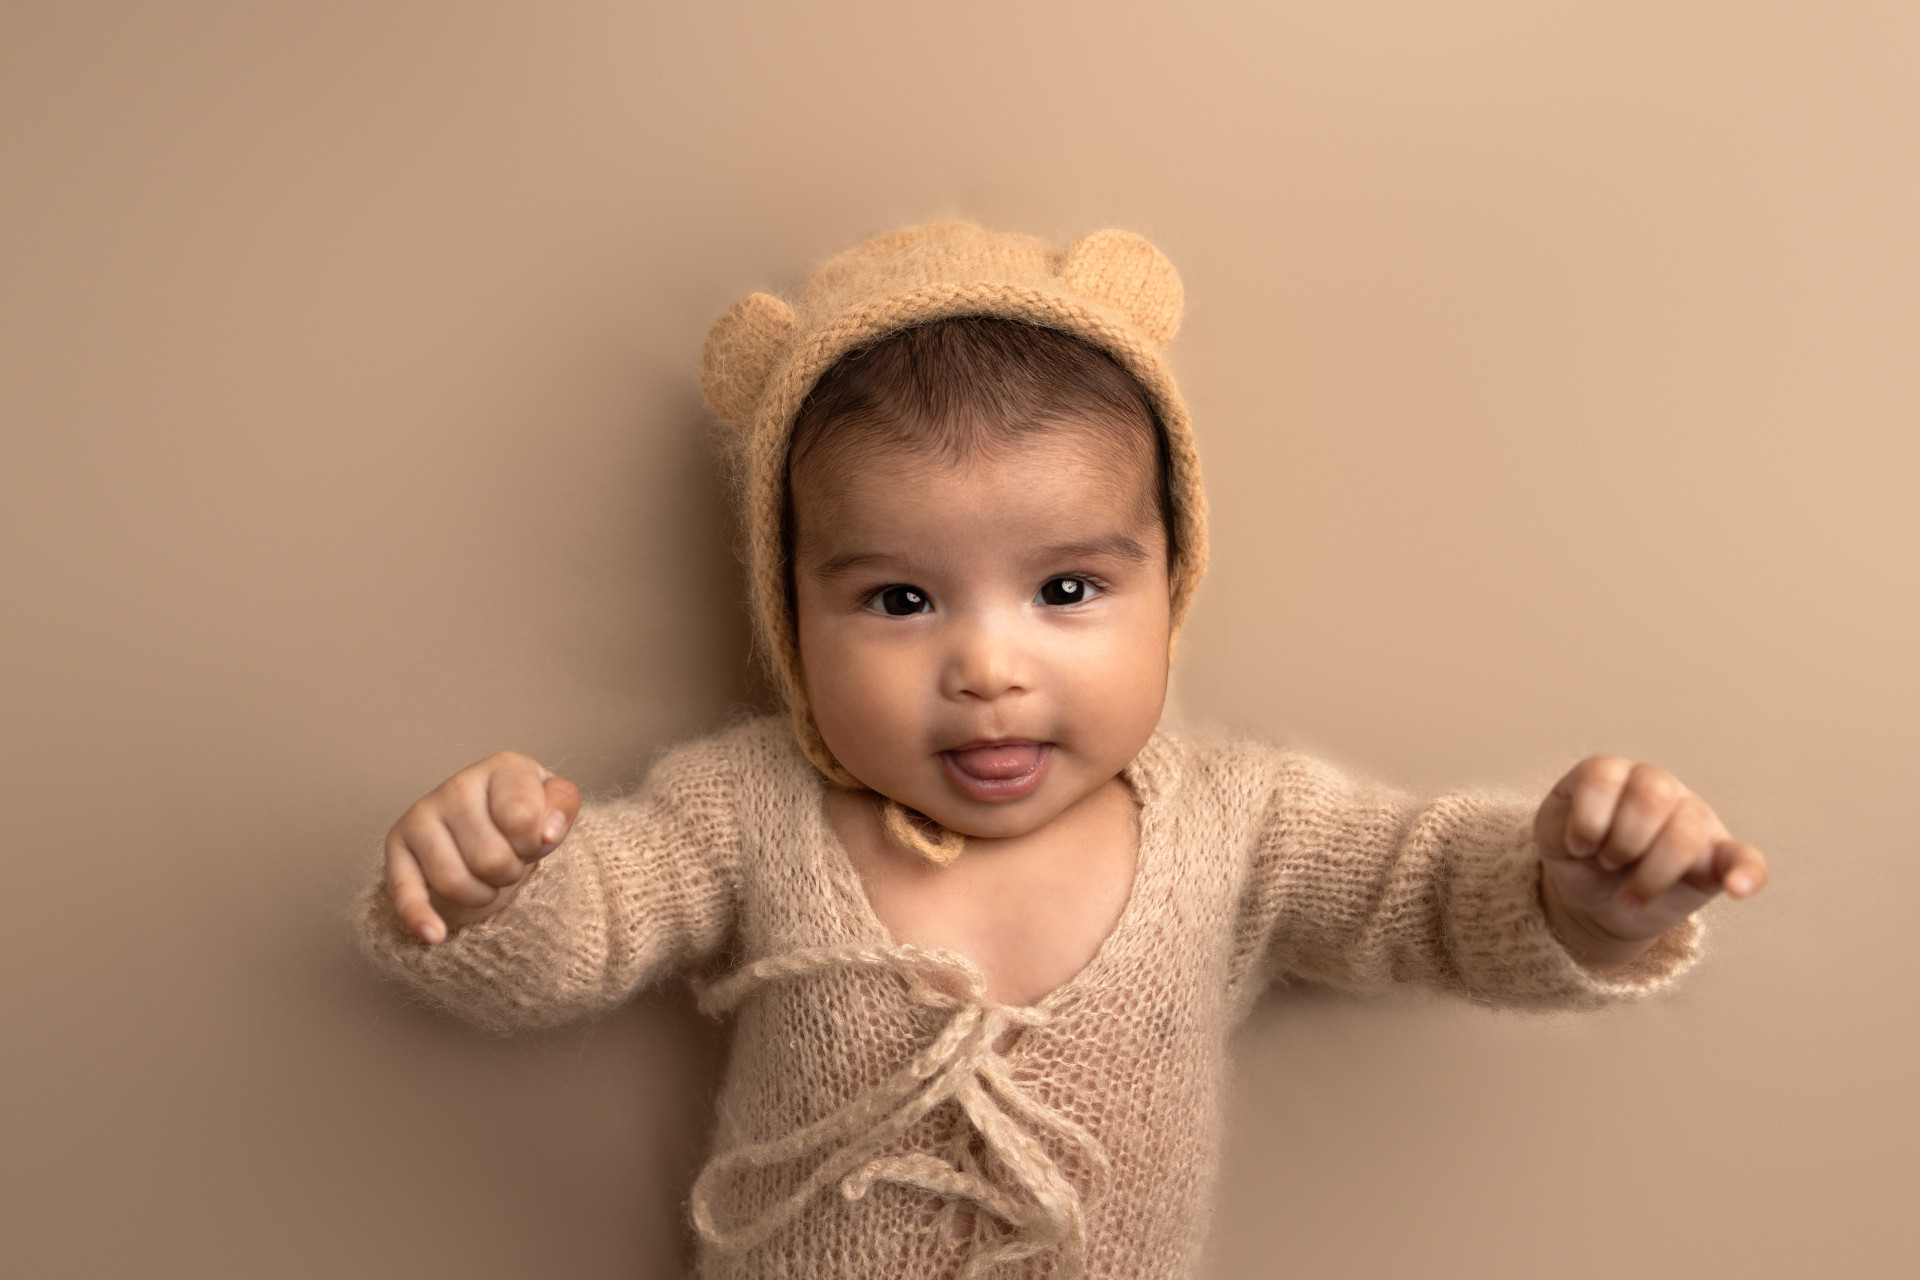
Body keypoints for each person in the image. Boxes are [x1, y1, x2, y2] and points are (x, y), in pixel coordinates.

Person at [358, 221, 1768, 1280]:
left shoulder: (1238, 818)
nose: (988, 666)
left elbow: (1424, 893)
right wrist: (498, 886)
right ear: (792, 619)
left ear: (1171, 586)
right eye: (899, 600)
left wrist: (1575, 898)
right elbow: (594, 922)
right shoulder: (748, 807)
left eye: (1069, 591)